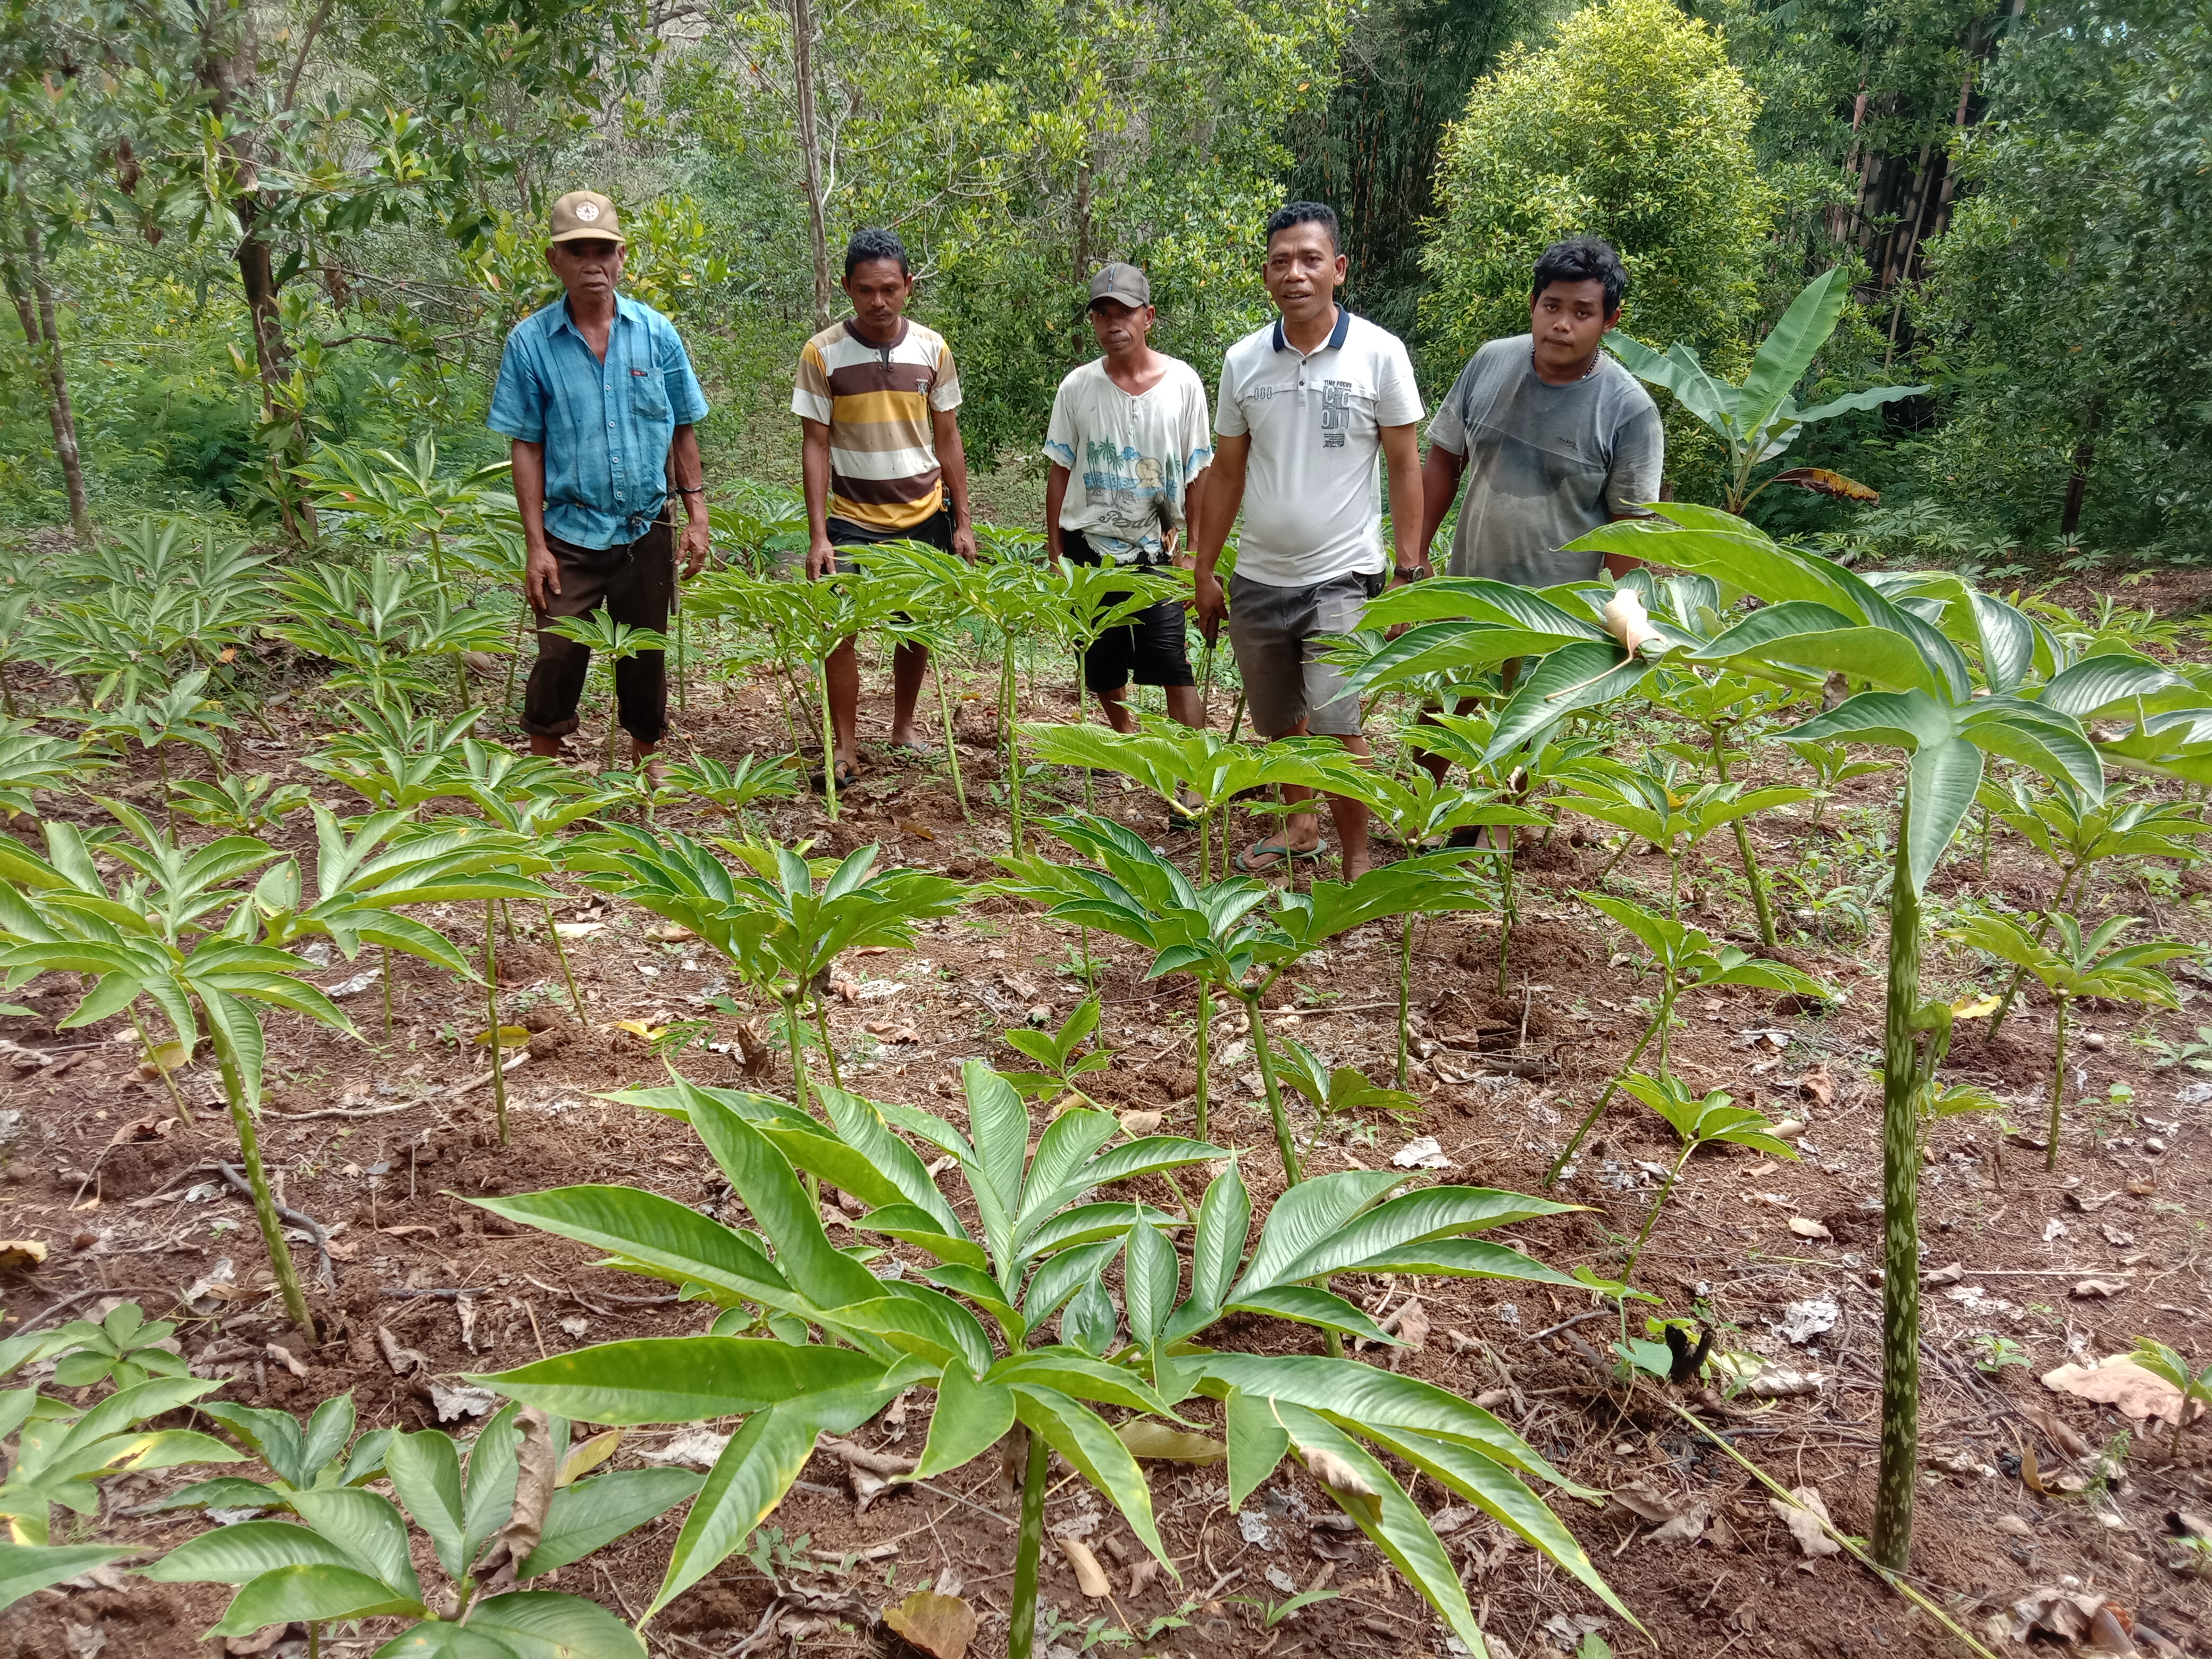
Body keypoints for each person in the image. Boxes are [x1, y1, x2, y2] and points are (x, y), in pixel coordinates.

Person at [1191, 202, 1425, 879]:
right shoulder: (1242, 362)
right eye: (1279, 262)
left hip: (1343, 575)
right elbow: (1226, 469)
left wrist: (1408, 573)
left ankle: (1358, 858)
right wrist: (1204, 570)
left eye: (1309, 259)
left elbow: (1406, 466)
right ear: (1265, 275)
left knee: (1336, 718)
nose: (1294, 274)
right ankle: (1299, 828)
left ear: (1338, 270)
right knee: (1279, 721)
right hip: (1260, 575)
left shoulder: (1379, 354)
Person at [1411, 236, 1663, 789]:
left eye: (1581, 313)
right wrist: (1414, 554)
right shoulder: (1489, 363)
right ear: (1532, 305)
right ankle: (1414, 812)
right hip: (1470, 589)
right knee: (1443, 708)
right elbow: (1443, 458)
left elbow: (1632, 525)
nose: (1561, 325)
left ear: (1609, 321)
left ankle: (1489, 840)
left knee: (1530, 721)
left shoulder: (1627, 409)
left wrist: (1618, 609)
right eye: (1551, 307)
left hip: (1555, 613)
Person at [491, 189, 711, 778]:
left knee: (644, 652)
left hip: (645, 524)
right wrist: (535, 545)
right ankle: (544, 768)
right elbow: (527, 446)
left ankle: (647, 758)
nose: (593, 262)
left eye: (603, 250)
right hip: (570, 530)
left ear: (621, 258)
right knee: (559, 654)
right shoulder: (530, 344)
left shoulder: (656, 334)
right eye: (577, 250)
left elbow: (681, 428)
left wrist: (696, 514)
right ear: (553, 260)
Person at [793, 226, 977, 789]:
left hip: (923, 512)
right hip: (851, 515)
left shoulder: (932, 348)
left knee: (914, 626)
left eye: (890, 289)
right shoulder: (821, 352)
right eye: (866, 290)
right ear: (846, 286)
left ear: (908, 287)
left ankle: (903, 726)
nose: (879, 301)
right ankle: (845, 746)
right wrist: (819, 533)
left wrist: (963, 520)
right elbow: (815, 443)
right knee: (839, 629)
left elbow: (947, 437)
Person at [1042, 262, 1212, 738]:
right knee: (1100, 661)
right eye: (1103, 314)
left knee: (1172, 662)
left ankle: (1191, 775)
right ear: (1094, 321)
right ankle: (1127, 739)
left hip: (1157, 550)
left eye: (1126, 312)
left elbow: (1198, 474)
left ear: (1148, 317)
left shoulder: (1183, 385)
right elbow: (1060, 471)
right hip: (1087, 547)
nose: (1114, 324)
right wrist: (1056, 553)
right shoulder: (1076, 387)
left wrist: (1195, 553)